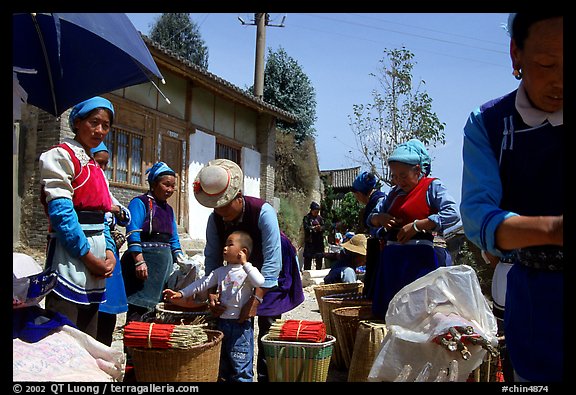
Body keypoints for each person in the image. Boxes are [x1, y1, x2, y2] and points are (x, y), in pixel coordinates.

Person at [460, 13, 563, 382]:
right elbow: (477, 215)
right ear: (515, 54)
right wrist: (552, 229)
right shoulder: (490, 124)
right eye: (547, 64)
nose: (560, 81)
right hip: (539, 303)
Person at [193, 158, 284, 381]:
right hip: (236, 274)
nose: (221, 213)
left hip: (268, 270)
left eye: (225, 206)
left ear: (239, 197)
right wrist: (213, 291)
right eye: (217, 208)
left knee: (268, 326)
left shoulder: (264, 212)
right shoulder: (215, 220)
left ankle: (266, 376)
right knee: (230, 322)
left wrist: (256, 300)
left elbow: (273, 261)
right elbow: (212, 257)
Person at [39, 96, 117, 338]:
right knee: (64, 332)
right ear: (77, 122)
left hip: (96, 258)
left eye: (105, 126)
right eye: (94, 122)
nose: (100, 130)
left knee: (88, 333)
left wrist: (110, 251)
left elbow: (103, 214)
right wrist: (87, 256)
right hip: (70, 255)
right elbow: (62, 214)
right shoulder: (61, 156)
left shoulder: (94, 165)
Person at [368, 138, 460, 318]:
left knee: (418, 315)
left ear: (417, 170)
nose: (398, 181)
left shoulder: (431, 187)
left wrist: (418, 225)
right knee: (390, 315)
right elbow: (371, 219)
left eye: (403, 175)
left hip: (419, 263)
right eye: (394, 176)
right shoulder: (393, 194)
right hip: (392, 264)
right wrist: (380, 218)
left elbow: (453, 213)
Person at [164, 230, 264, 382]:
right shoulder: (220, 272)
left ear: (243, 251)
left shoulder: (247, 271)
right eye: (225, 245)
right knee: (222, 363)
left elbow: (260, 282)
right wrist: (181, 294)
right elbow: (202, 283)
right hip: (222, 323)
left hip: (240, 326)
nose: (225, 248)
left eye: (230, 245)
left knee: (240, 364)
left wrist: (245, 264)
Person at [121, 161, 186, 322]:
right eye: (166, 185)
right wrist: (139, 261)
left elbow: (173, 238)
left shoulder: (168, 210)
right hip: (144, 265)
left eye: (173, 186)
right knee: (139, 307)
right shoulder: (140, 203)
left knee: (156, 310)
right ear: (154, 183)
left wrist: (180, 258)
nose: (170, 190)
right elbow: (133, 230)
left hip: (162, 267)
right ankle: (132, 344)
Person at [91, 142, 131, 346]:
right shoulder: (84, 183)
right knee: (93, 307)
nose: (103, 168)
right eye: (99, 163)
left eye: (106, 164)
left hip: (110, 254)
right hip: (93, 252)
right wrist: (111, 209)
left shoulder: (105, 185)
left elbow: (125, 216)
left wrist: (116, 209)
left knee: (108, 312)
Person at [255, 231, 305, 382]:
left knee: (268, 338)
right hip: (263, 289)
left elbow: (283, 272)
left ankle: (267, 377)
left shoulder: (279, 241)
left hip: (273, 292)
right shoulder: (259, 235)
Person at [350, 171, 386, 298]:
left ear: (359, 193)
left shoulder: (379, 201)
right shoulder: (375, 200)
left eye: (356, 196)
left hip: (381, 247)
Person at [302, 201, 325, 270]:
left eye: (317, 211)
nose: (316, 213)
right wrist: (313, 228)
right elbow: (306, 227)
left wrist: (320, 228)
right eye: (315, 211)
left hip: (318, 242)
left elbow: (324, 227)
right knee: (308, 259)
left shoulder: (320, 218)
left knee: (319, 258)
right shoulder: (307, 218)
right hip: (310, 241)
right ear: (312, 210)